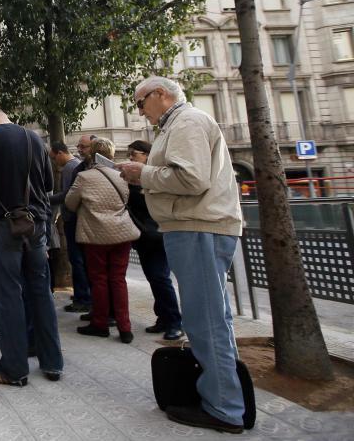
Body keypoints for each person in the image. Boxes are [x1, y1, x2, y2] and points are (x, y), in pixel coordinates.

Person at [118, 76, 246, 434]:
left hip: (198, 227)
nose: (140, 112)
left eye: (141, 103)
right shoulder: (180, 123)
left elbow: (191, 180)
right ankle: (223, 397)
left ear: (160, 94)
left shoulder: (187, 122)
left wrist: (141, 173)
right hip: (195, 226)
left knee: (207, 320)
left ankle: (224, 407)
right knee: (209, 317)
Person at [0, 107, 63, 386]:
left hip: (5, 224)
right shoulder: (35, 138)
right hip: (36, 224)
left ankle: (13, 369)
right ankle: (52, 363)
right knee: (40, 290)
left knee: (8, 292)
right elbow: (48, 182)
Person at [65, 137, 139, 344]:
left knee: (98, 279)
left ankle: (100, 323)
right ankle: (125, 327)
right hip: (122, 232)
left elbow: (70, 203)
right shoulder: (122, 175)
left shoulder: (84, 177)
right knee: (118, 279)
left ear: (93, 153)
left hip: (95, 233)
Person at [125, 140, 183, 341]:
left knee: (159, 277)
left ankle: (175, 322)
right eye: (130, 153)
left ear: (148, 154)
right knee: (154, 277)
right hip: (143, 235)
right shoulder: (134, 178)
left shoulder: (157, 175)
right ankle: (164, 318)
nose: (131, 156)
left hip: (158, 234)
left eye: (135, 153)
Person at [51, 140, 90, 313]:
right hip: (76, 218)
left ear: (59, 153)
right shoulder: (77, 165)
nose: (54, 162)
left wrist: (47, 200)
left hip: (73, 219)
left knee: (77, 259)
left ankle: (82, 297)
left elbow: (67, 195)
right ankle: (82, 294)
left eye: (54, 158)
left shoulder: (69, 167)